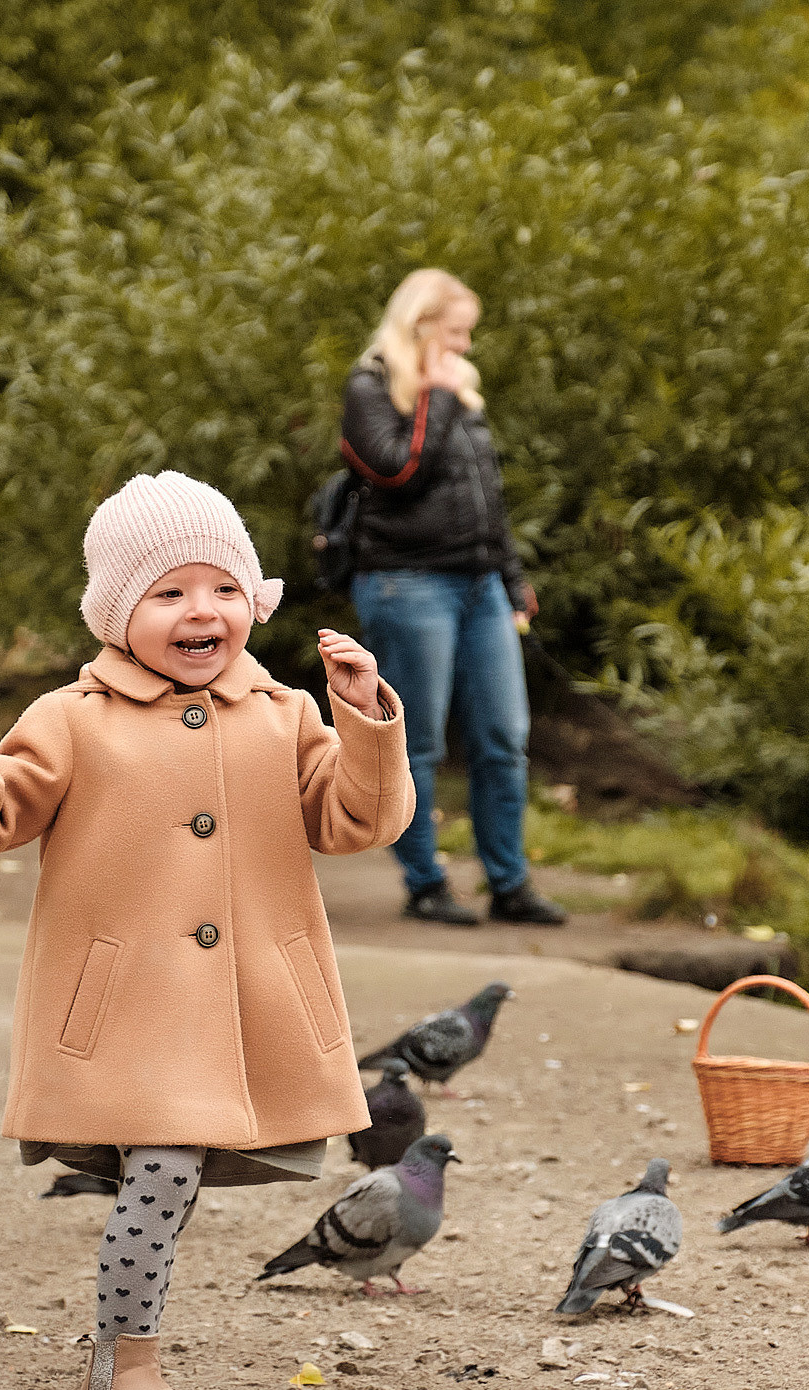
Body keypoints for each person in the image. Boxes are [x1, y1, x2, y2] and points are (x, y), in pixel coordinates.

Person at [0, 471, 413, 1390]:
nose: (203, 611)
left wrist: (363, 718)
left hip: (244, 1006)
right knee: (166, 1168)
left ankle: (118, 1370)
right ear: (117, 613)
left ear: (253, 601)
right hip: (127, 1009)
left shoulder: (282, 712)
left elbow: (358, 819)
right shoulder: (73, 717)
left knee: (168, 1177)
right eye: (170, 591)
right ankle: (122, 1374)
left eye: (225, 588)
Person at [339, 268, 565, 926]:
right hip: (408, 584)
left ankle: (509, 882)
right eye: (457, 332)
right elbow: (395, 471)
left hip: (480, 584)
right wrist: (435, 398)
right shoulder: (371, 386)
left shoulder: (460, 391)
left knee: (503, 737)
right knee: (418, 742)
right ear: (421, 327)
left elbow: (484, 496)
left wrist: (511, 576)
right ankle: (424, 881)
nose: (466, 347)